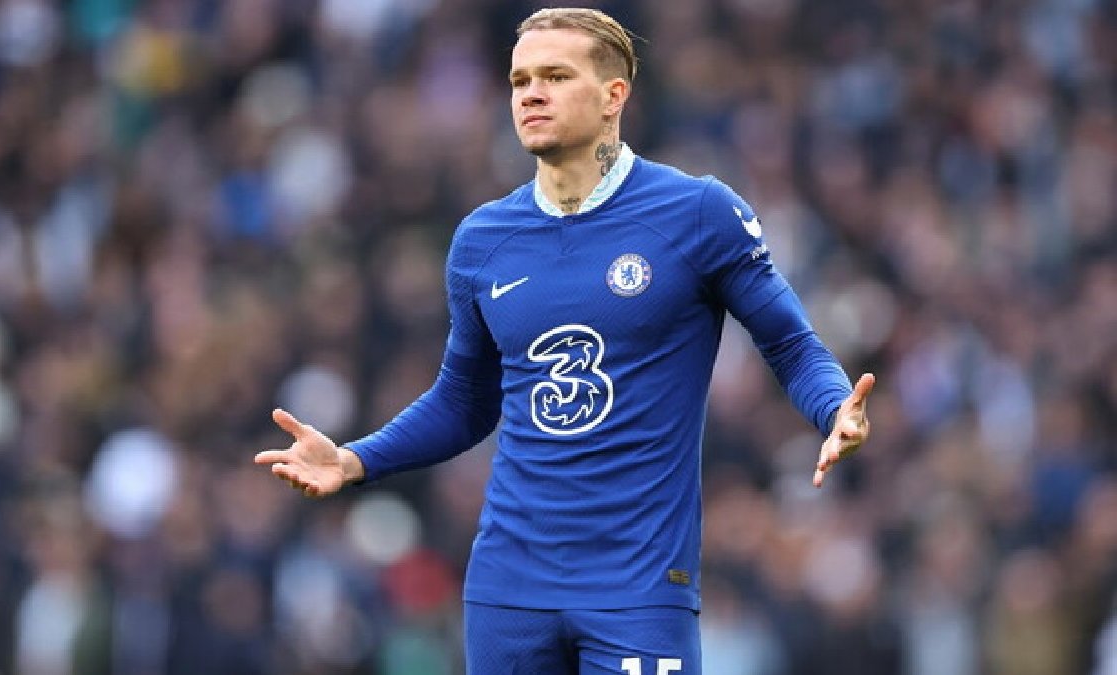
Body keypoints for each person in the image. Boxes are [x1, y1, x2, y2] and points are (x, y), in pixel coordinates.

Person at [255, 7, 874, 673]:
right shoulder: (483, 240)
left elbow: (789, 344)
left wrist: (831, 407)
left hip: (638, 585)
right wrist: (354, 459)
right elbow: (464, 402)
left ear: (614, 96)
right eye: (520, 80)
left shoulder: (698, 213)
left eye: (555, 76)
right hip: (509, 589)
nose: (531, 94)